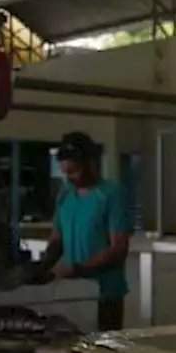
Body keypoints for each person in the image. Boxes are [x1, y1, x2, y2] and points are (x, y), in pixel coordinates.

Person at [41, 132, 132, 331]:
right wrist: (42, 266)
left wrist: (78, 268)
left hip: (105, 295)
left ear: (91, 163)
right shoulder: (65, 194)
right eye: (66, 172)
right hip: (74, 292)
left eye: (74, 171)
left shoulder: (111, 194)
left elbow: (119, 249)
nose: (69, 177)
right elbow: (57, 239)